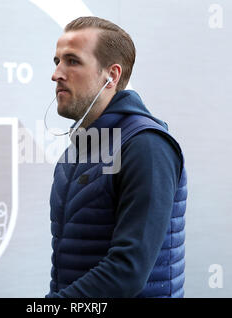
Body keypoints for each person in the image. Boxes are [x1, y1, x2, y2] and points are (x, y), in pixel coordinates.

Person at [46, 16, 187, 298]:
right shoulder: (81, 143)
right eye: (57, 61)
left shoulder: (146, 146)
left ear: (111, 75)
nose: (56, 74)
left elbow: (127, 270)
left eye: (72, 61)